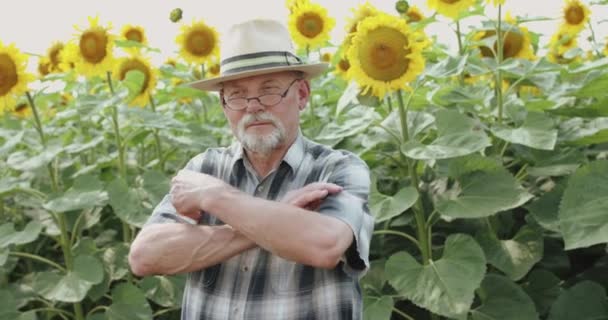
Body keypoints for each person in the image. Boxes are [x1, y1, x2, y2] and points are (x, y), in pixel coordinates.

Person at [128, 18, 374, 320]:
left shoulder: (337, 168)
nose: (253, 106)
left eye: (269, 90)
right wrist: (270, 218)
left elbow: (324, 245)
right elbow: (145, 256)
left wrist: (215, 197)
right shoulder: (204, 168)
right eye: (237, 94)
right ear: (223, 103)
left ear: (302, 95)